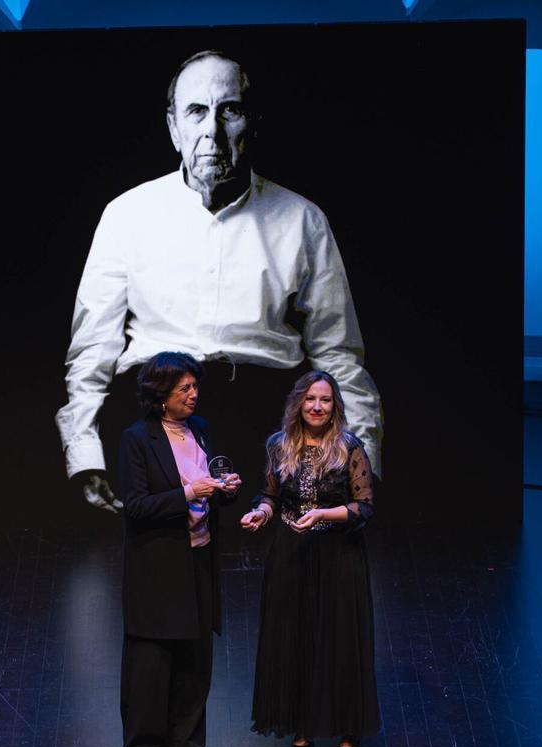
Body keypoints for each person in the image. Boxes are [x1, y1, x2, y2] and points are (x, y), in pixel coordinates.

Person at [55, 49, 382, 517]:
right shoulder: (125, 215)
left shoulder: (303, 219)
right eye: (196, 111)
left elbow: (339, 355)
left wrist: (362, 459)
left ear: (253, 123)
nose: (211, 130)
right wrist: (86, 455)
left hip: (266, 420)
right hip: (152, 419)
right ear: (173, 128)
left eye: (229, 110)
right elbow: (92, 351)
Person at [240, 370, 379, 747]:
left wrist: (323, 514)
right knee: (296, 636)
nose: (317, 407)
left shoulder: (349, 447)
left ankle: (348, 727)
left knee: (338, 638)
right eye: (310, 399)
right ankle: (301, 723)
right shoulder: (279, 445)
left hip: (338, 553)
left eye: (325, 400)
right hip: (292, 552)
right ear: (298, 403)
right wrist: (261, 513)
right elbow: (271, 496)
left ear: (335, 406)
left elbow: (364, 506)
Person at [118, 352, 241, 747]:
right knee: (153, 656)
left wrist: (223, 488)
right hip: (158, 563)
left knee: (195, 652)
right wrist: (190, 493)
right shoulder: (138, 439)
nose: (193, 394)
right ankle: (145, 744)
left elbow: (205, 486)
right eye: (184, 388)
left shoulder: (199, 430)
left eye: (194, 386)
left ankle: (185, 741)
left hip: (197, 555)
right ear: (161, 395)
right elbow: (136, 506)